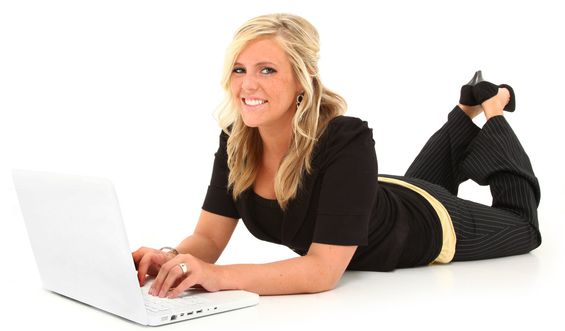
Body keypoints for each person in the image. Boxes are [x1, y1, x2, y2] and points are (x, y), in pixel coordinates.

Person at [132, 13, 541, 297]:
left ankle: (492, 110)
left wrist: (217, 278)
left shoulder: (346, 139)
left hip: (430, 225)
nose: (247, 85)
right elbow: (207, 238)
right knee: (425, 184)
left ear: (303, 78)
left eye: (267, 70)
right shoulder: (238, 140)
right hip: (379, 197)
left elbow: (323, 269)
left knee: (524, 228)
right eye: (239, 69)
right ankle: (464, 113)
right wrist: (170, 259)